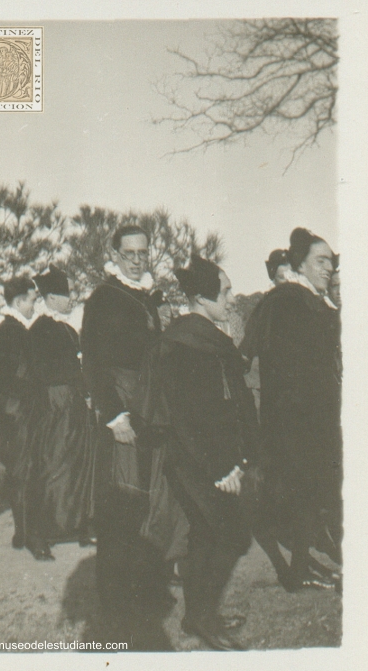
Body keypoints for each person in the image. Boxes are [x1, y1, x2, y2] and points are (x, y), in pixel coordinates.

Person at [155, 255, 259, 651]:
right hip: (198, 459)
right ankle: (203, 618)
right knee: (231, 534)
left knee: (205, 534)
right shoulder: (185, 342)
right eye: (226, 290)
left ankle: (197, 616)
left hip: (208, 456)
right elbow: (190, 415)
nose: (231, 297)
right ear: (201, 297)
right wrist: (220, 469)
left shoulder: (204, 335)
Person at [81, 225, 167, 627]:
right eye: (129, 253)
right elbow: (94, 362)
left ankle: (142, 591)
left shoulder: (145, 296)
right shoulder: (103, 298)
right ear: (114, 255)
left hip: (148, 406)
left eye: (143, 253)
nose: (136, 260)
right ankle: (114, 602)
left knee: (144, 502)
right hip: (122, 410)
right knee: (121, 504)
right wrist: (114, 415)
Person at [253, 228, 342, 592]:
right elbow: (289, 368)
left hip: (309, 416)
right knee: (304, 492)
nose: (329, 269)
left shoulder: (308, 301)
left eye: (332, 263)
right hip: (297, 420)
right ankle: (298, 568)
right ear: (300, 263)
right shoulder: (290, 301)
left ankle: (301, 566)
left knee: (311, 495)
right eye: (321, 261)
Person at [0, 276, 52, 560]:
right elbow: (6, 378)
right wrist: (33, 394)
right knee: (30, 472)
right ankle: (34, 538)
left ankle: (22, 532)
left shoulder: (4, 330)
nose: (34, 306)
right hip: (21, 413)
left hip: (13, 412)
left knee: (18, 472)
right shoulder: (13, 332)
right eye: (32, 300)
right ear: (19, 301)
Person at [30, 265, 95, 547]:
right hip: (56, 403)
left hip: (75, 402)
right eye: (66, 295)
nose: (71, 299)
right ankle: (44, 533)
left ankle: (78, 526)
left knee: (80, 463)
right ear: (53, 298)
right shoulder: (40, 329)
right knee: (56, 463)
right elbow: (41, 371)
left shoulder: (68, 328)